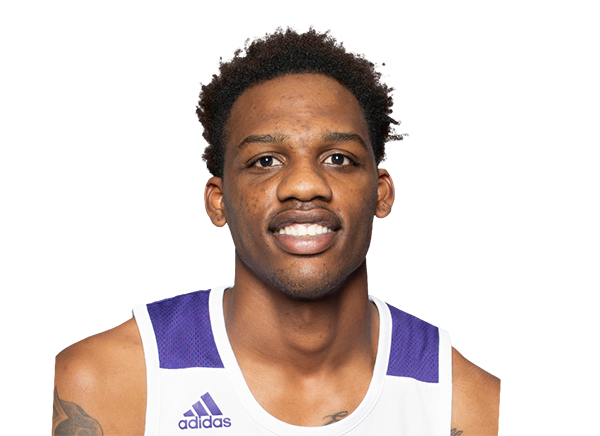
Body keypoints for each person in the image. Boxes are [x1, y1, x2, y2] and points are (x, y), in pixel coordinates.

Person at [51, 26, 500, 435]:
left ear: (381, 195)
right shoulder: (103, 387)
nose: (304, 185)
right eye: (265, 161)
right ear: (219, 201)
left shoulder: (473, 411)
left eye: (338, 158)